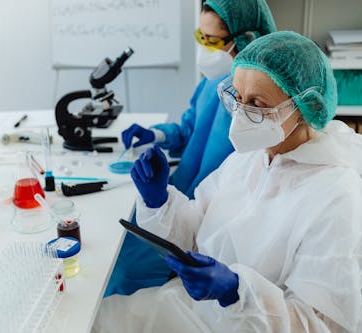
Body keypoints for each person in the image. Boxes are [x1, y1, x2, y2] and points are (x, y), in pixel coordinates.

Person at [94, 31, 362, 332]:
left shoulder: (338, 199)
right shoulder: (249, 160)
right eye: (237, 97)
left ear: (302, 107)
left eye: (257, 103)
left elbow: (320, 325)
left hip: (241, 326)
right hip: (188, 309)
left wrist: (237, 293)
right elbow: (198, 234)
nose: (241, 113)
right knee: (88, 318)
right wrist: (160, 201)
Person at [105, 0, 277, 297]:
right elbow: (187, 130)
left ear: (245, 41)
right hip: (173, 200)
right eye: (200, 37)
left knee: (117, 284)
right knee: (109, 252)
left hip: (206, 221)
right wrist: (155, 134)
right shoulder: (211, 84)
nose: (203, 48)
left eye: (210, 41)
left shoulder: (258, 105)